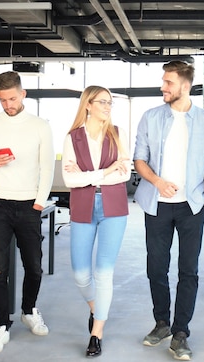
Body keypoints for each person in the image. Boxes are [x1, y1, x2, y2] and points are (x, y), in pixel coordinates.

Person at [133, 60, 204, 361]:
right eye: (163, 81)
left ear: (185, 85)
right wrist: (157, 182)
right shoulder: (150, 117)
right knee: (156, 268)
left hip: (191, 206)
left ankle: (181, 331)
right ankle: (161, 323)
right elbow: (139, 160)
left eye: (168, 82)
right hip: (156, 205)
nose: (162, 87)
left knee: (188, 270)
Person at [0, 70, 55, 354]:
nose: (7, 104)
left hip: (29, 204)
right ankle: (1, 326)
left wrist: (40, 202)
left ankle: (29, 310)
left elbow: (47, 167)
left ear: (23, 94)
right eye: (2, 100)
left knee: (34, 266)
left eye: (12, 98)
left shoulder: (40, 126)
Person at [61, 85, 131, 357]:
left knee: (103, 272)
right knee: (80, 273)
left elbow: (124, 175)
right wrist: (106, 170)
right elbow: (69, 180)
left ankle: (96, 333)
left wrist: (88, 174)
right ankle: (96, 307)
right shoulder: (73, 138)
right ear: (87, 104)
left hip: (114, 206)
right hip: (82, 205)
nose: (107, 106)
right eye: (102, 101)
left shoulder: (118, 134)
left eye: (110, 102)